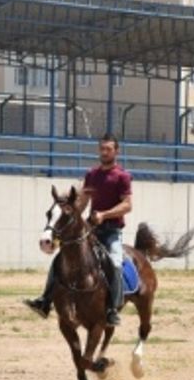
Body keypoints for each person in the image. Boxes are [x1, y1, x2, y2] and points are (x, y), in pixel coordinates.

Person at [24, 133, 133, 326]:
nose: (104, 152)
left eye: (108, 149)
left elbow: (127, 205)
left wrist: (104, 214)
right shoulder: (92, 175)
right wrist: (72, 218)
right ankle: (45, 301)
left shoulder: (122, 176)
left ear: (117, 151)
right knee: (60, 259)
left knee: (115, 264)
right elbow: (82, 203)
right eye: (102, 148)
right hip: (91, 230)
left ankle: (112, 309)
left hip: (111, 232)